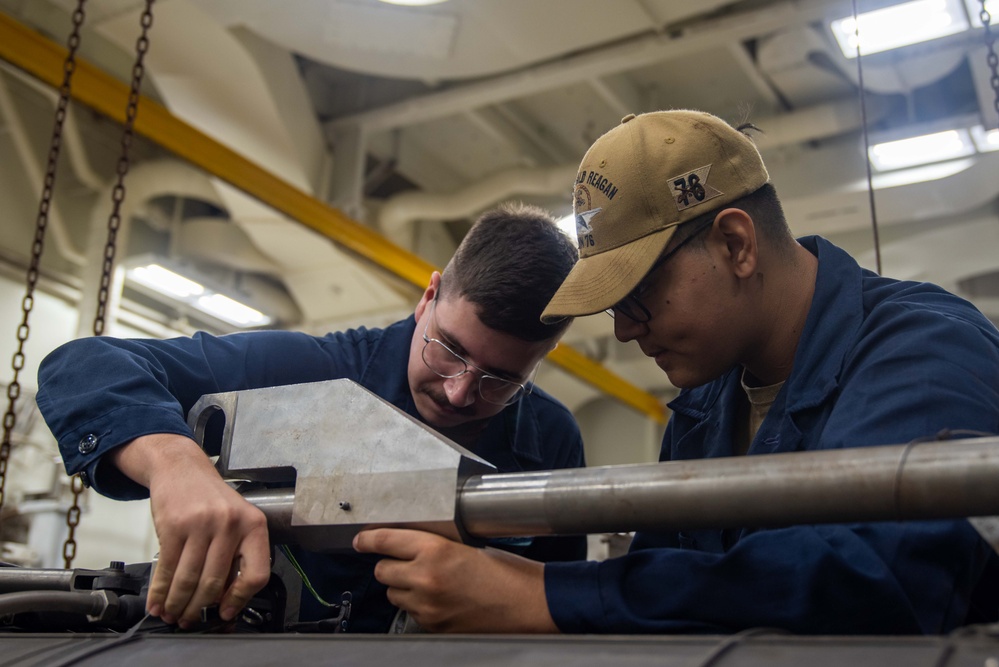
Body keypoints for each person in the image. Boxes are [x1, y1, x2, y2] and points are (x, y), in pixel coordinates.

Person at [352, 109, 999, 634]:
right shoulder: (707, 401)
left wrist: (545, 594)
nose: (624, 329)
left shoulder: (921, 350)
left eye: (637, 295)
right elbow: (665, 589)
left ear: (735, 244)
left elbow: (880, 585)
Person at [35, 202, 586, 632]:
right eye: (449, 350)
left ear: (542, 359)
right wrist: (174, 464)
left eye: (501, 380)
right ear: (430, 295)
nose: (460, 391)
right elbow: (83, 365)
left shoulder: (554, 439)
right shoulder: (312, 371)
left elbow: (557, 600)